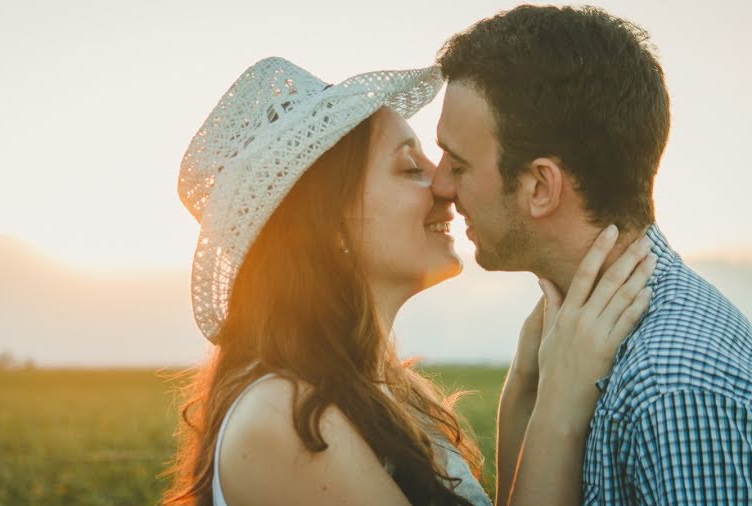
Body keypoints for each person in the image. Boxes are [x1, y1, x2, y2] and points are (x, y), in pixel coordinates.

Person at [163, 56, 654, 505]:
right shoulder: (285, 418)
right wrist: (560, 404)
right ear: (330, 224)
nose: (444, 185)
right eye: (409, 167)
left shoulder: (382, 394)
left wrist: (525, 391)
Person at [432, 5, 752, 505]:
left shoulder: (669, 389)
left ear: (540, 186)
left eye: (458, 163)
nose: (439, 184)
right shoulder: (566, 344)